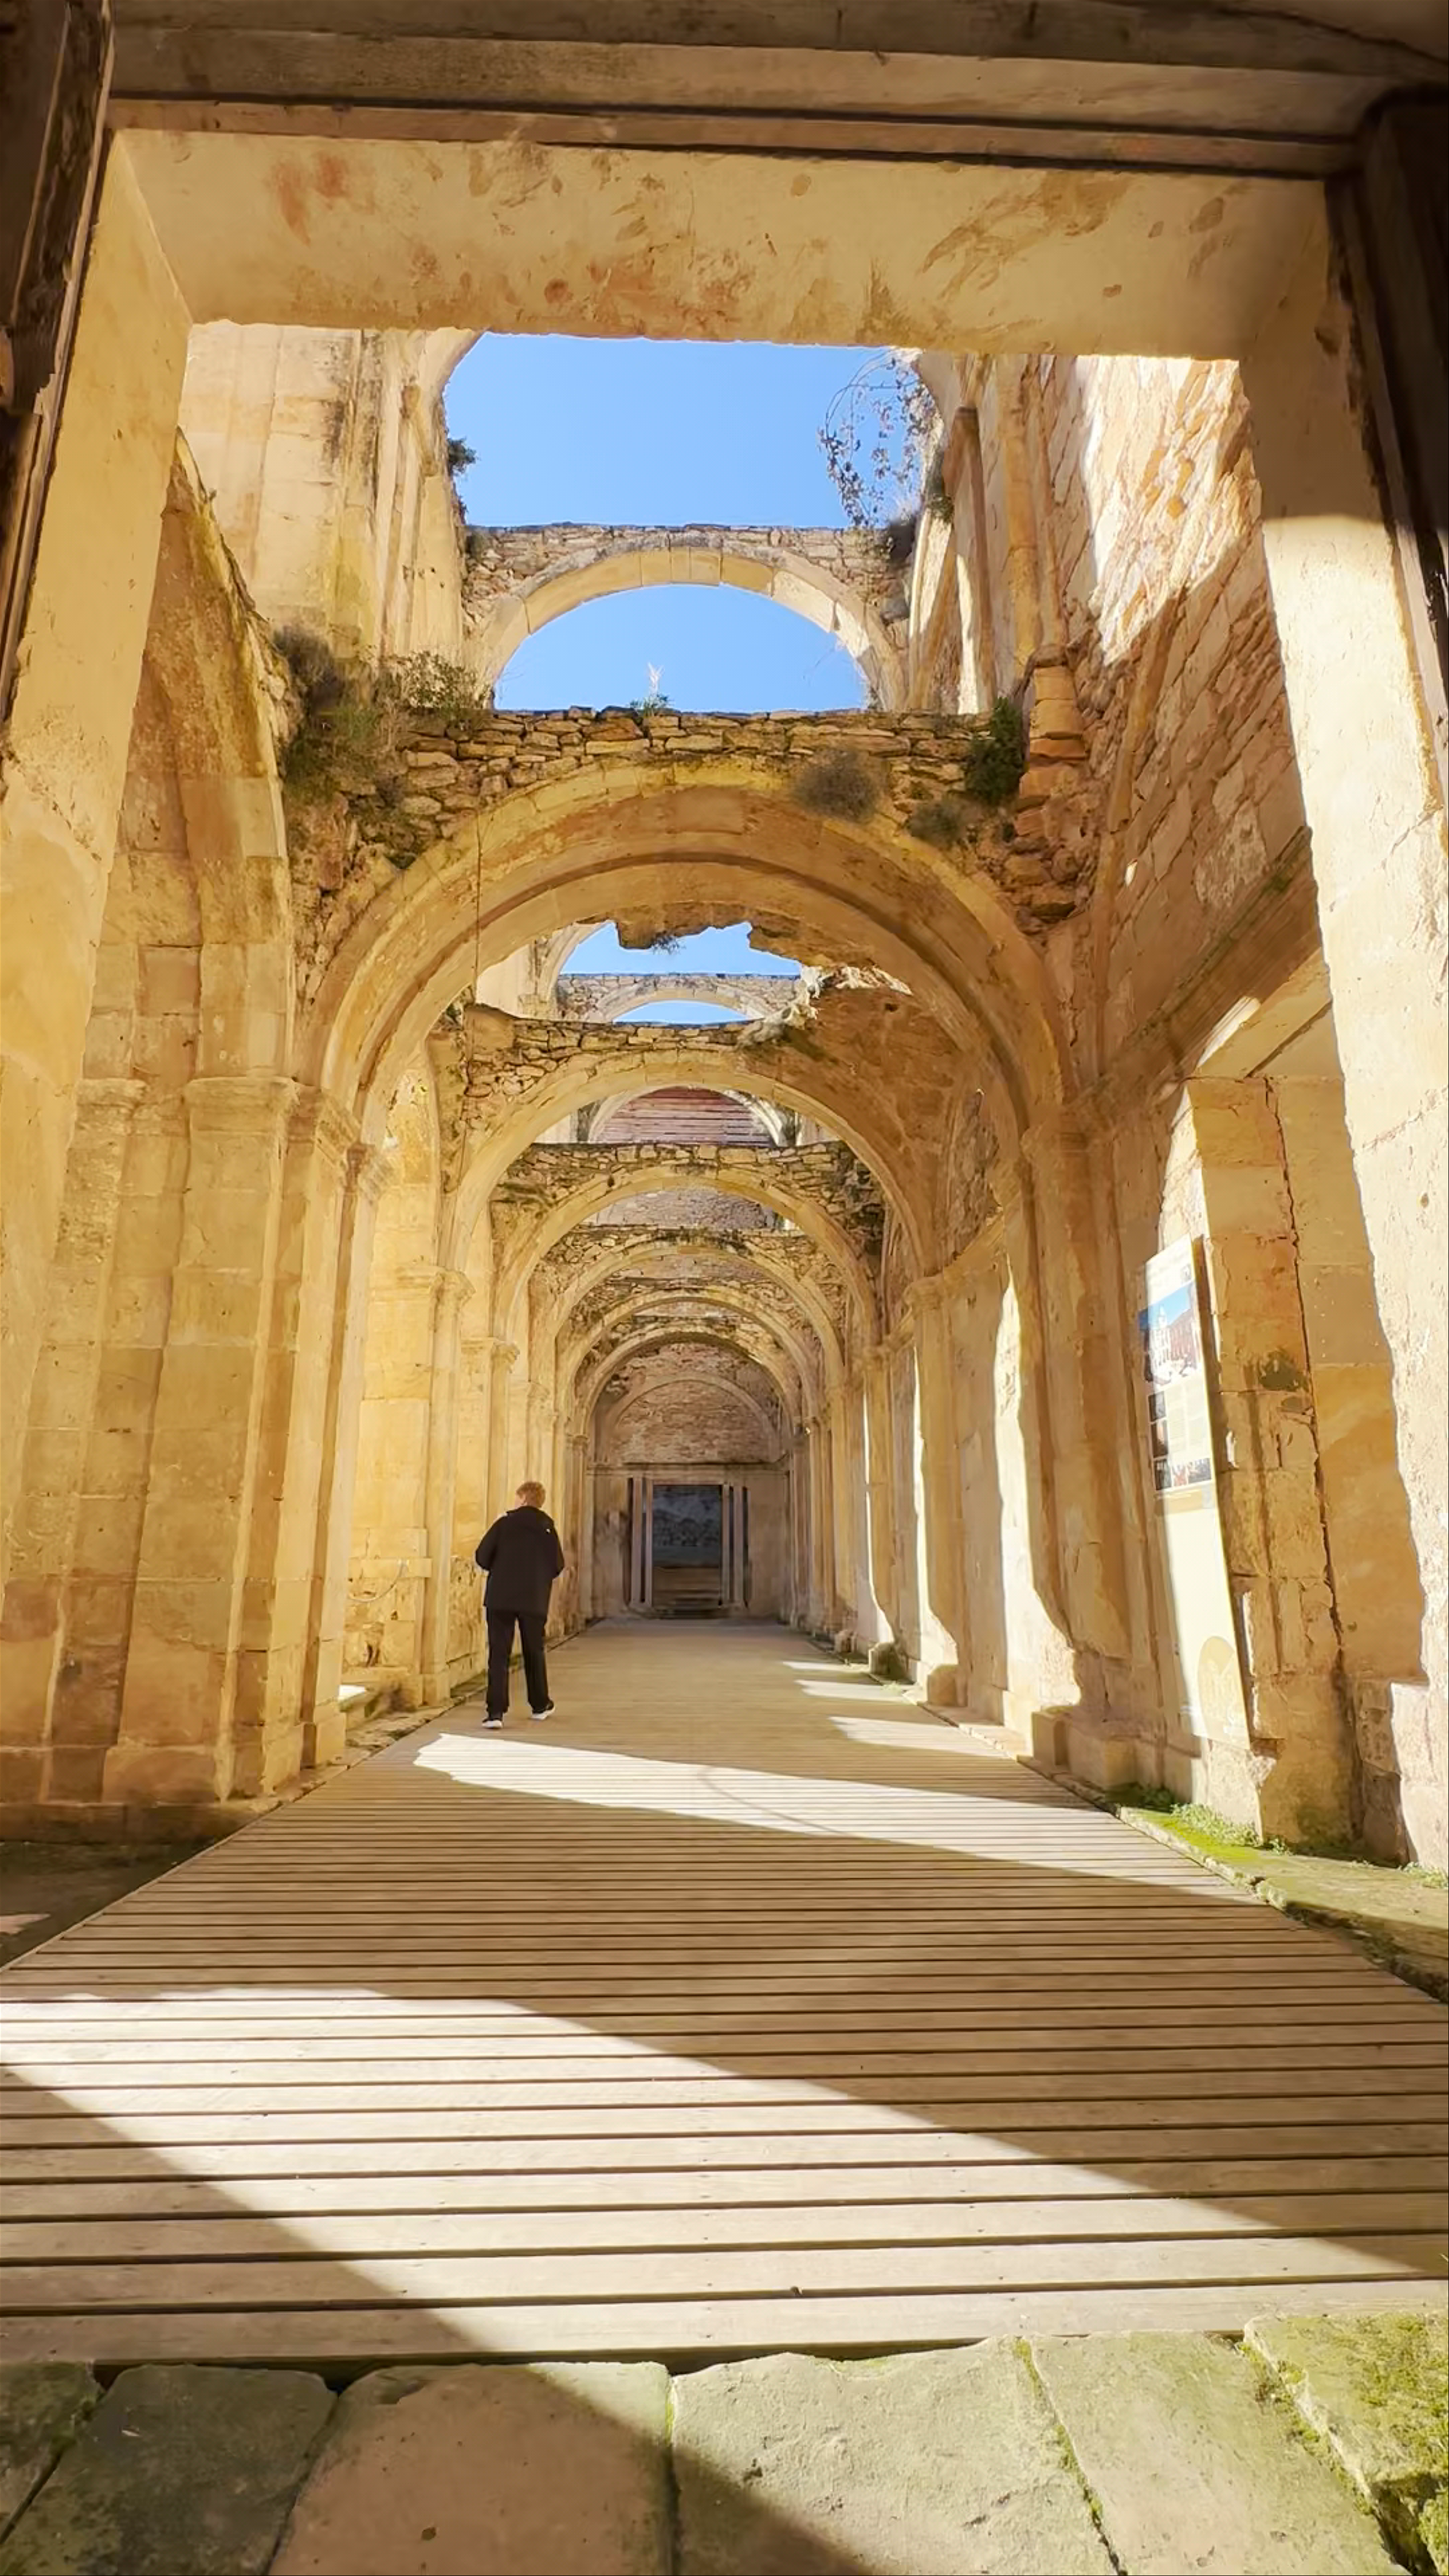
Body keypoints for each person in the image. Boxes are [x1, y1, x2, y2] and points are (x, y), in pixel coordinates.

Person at [474, 1481, 566, 1730]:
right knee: (534, 1651)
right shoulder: (548, 1527)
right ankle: (539, 1705)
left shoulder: (504, 1523)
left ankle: (495, 1713)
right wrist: (537, 1577)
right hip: (533, 1599)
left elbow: (482, 1556)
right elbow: (558, 1564)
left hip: (500, 1598)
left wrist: (502, 1568)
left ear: (524, 1498)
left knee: (499, 1654)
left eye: (517, 1498)